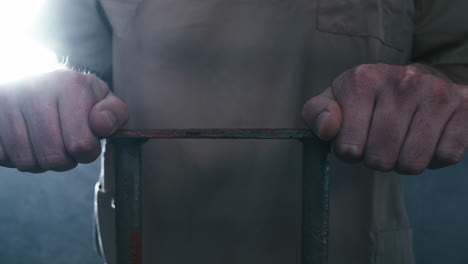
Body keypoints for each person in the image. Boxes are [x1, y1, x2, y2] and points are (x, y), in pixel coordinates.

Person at [2, 0, 464, 263]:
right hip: (155, 247)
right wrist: (37, 92)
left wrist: (444, 94)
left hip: (351, 248)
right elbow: (54, 54)